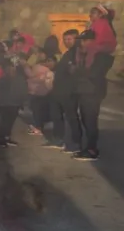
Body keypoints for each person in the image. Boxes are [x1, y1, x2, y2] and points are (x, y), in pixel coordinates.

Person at [71, 29, 115, 161]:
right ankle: (89, 147)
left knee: (90, 121)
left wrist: (77, 70)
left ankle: (92, 149)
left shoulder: (100, 55)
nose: (82, 44)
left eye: (84, 41)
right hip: (85, 91)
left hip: (93, 92)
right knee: (86, 119)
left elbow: (94, 74)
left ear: (91, 41)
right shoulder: (86, 54)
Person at [47, 29, 79, 151]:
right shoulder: (67, 53)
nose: (66, 42)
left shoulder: (77, 53)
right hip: (58, 90)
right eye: (65, 39)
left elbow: (74, 71)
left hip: (69, 91)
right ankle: (58, 139)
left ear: (76, 39)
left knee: (71, 118)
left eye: (69, 39)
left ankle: (75, 143)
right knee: (56, 116)